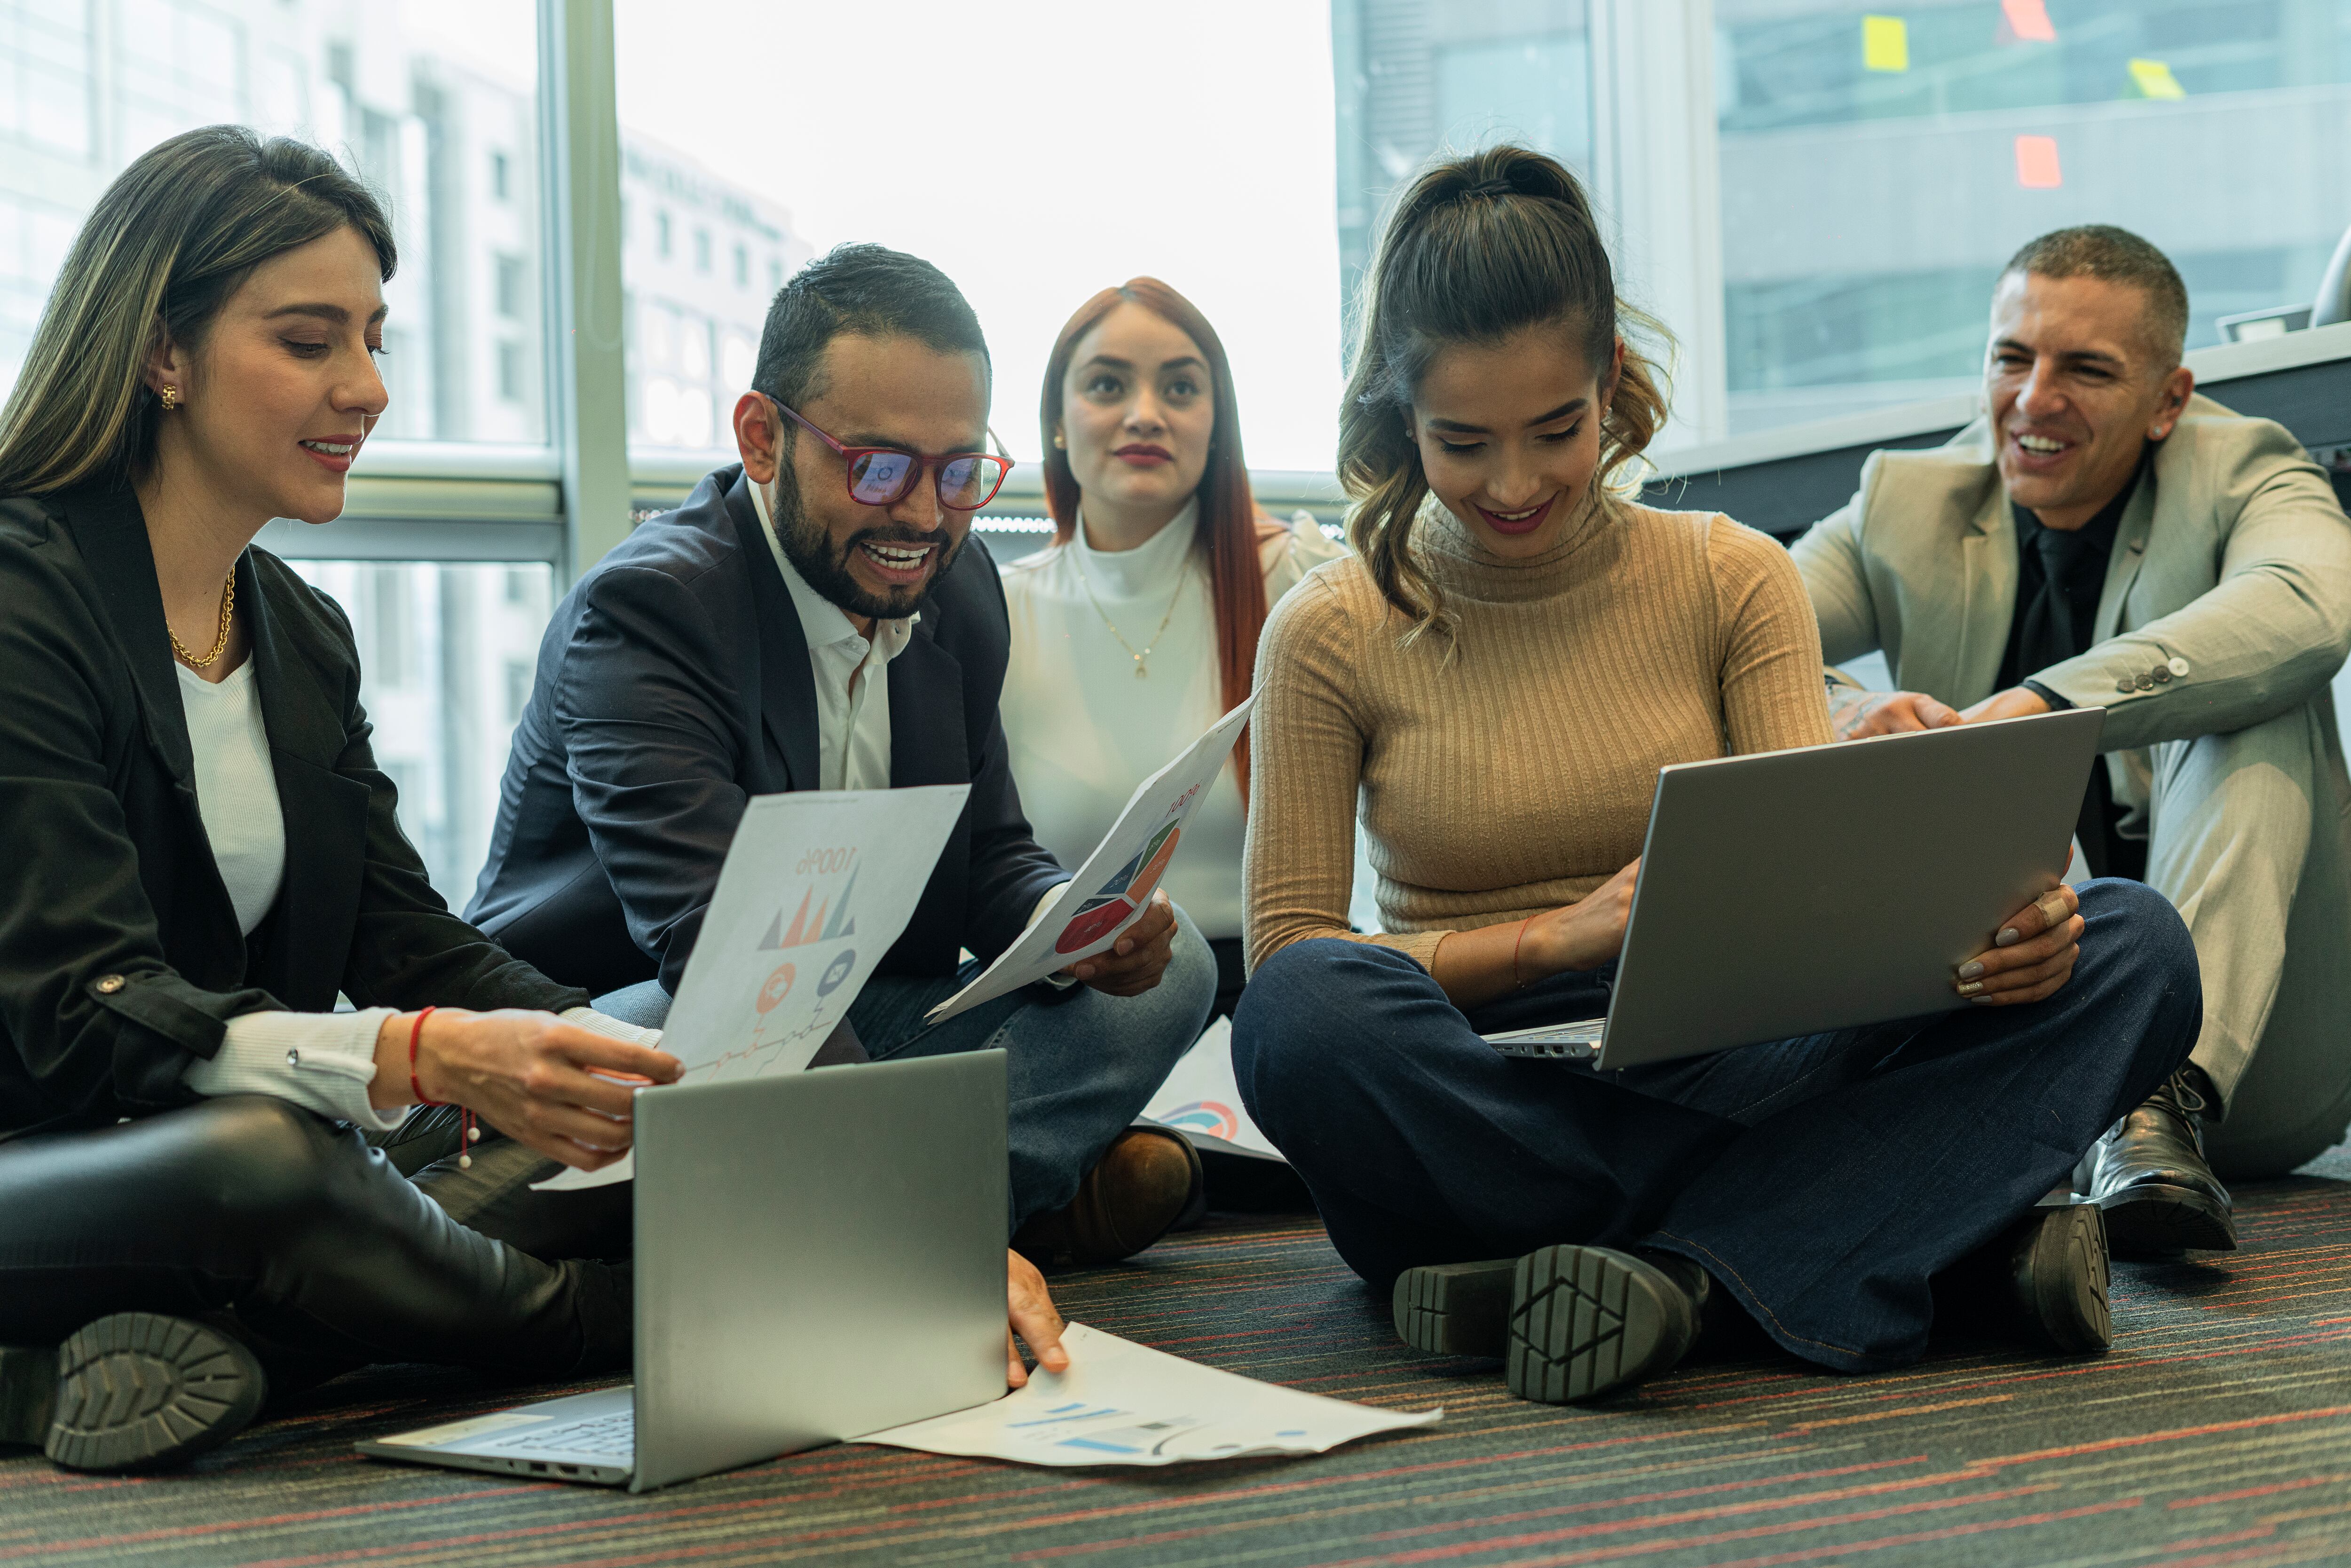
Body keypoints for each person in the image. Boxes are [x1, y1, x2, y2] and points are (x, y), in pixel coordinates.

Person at [0, 131, 1072, 1479]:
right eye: (309, 341)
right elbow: (82, 1008)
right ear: (164, 354)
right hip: (54, 1156)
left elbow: (411, 940)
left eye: (376, 339)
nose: (368, 387)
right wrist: (428, 1056)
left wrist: (658, 1087)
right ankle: (623, 1325)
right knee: (270, 1163)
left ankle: (185, 1350)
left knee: (640, 1096)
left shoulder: (294, 633)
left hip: (225, 1150)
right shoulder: (23, 598)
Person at [1231, 146, 2203, 1407]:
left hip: (1736, 1058)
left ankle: (1659, 1277)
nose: (1514, 485)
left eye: (1557, 431)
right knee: (1305, 1016)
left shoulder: (1728, 575)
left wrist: (2009, 933)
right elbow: (1292, 954)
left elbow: (1817, 913)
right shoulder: (1329, 628)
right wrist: (1548, 940)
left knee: (2131, 944)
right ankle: (1845, 1245)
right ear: (1397, 418)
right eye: (1463, 442)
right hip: (1478, 1089)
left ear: (1614, 387)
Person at [468, 244, 1218, 1269]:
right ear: (762, 438)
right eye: (876, 465)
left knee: (1173, 974)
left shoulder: (955, 591)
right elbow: (719, 948)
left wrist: (1072, 925)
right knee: (660, 1043)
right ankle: (944, 1233)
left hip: (853, 1005)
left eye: (959, 472)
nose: (920, 513)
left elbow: (990, 852)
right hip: (639, 1014)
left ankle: (863, 1234)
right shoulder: (651, 611)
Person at [1793, 226, 2351, 1247]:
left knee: (2259, 693)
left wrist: (2043, 707)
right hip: (2009, 1044)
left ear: (2169, 400)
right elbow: (1734, 637)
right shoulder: (1907, 501)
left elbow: (2309, 606)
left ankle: (2153, 1097)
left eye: (2085, 371)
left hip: (2255, 1071)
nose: (2032, 401)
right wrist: (1858, 718)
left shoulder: (2247, 471)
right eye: (2011, 358)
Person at [1000, 278, 1342, 1023]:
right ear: (1057, 422)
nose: (1145, 414)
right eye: (1107, 384)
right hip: (1076, 1010)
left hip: (1277, 1008)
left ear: (1218, 423)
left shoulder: (1297, 583)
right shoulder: (997, 614)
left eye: (1181, 387)